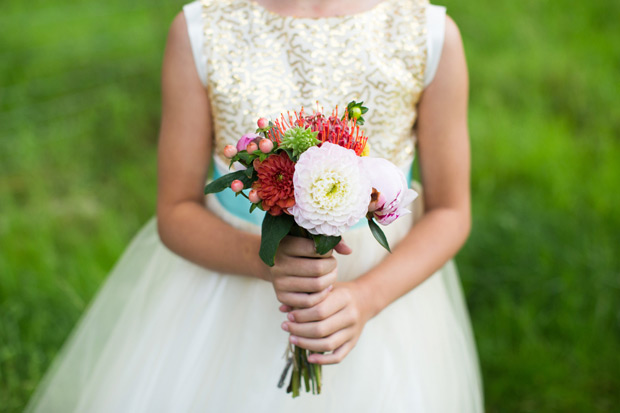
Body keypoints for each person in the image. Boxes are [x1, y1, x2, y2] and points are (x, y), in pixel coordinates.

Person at [26, 0, 484, 411]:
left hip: (379, 286)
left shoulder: (427, 33)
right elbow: (176, 209)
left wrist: (366, 298)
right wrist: (265, 260)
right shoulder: (201, 30)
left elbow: (449, 210)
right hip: (229, 285)